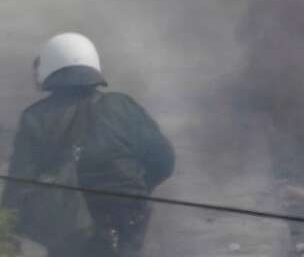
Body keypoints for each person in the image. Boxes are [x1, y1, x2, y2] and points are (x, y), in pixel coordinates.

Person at [2, 34, 175, 256]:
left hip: (70, 230)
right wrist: (137, 189)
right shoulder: (122, 106)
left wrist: (7, 235)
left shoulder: (36, 118)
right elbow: (163, 161)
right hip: (127, 222)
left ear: (49, 68)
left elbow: (19, 185)